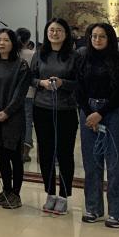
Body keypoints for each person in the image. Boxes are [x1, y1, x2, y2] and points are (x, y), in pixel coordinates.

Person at [75, 22, 119, 228]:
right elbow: (79, 90)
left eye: (102, 36)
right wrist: (89, 113)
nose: (97, 40)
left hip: (112, 112)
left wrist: (101, 113)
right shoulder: (83, 59)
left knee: (115, 165)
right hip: (88, 112)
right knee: (91, 164)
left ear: (110, 39)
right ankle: (93, 208)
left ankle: (117, 212)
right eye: (94, 36)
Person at [29, 18, 80, 216]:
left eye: (59, 30)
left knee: (65, 153)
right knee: (46, 153)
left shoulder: (74, 56)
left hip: (66, 110)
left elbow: (80, 83)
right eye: (51, 30)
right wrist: (41, 83)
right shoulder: (39, 54)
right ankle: (50, 192)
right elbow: (30, 78)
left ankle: (64, 195)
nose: (55, 33)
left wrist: (62, 83)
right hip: (42, 109)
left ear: (66, 34)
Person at [0, 29, 31, 210]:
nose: (2, 43)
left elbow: (20, 93)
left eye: (6, 40)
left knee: (15, 157)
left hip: (13, 117)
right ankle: (6, 190)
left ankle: (16, 194)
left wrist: (7, 112)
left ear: (13, 43)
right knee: (2, 155)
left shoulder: (21, 65)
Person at [16, 27, 36, 163]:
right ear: (28, 40)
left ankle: (16, 148)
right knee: (28, 122)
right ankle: (25, 150)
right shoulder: (33, 54)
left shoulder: (13, 54)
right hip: (30, 92)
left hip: (14, 93)